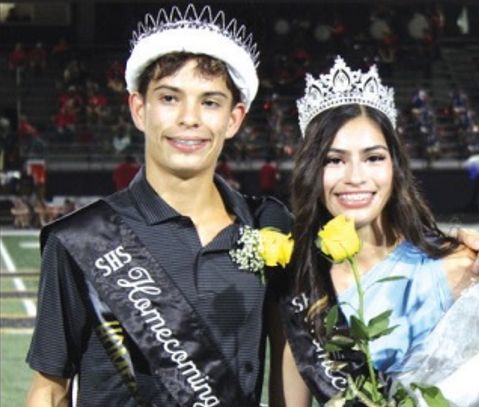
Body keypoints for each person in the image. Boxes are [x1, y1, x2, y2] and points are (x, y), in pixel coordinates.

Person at [26, 4, 292, 406]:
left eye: (210, 102)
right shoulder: (80, 239)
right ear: (138, 108)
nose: (189, 118)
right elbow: (48, 391)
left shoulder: (268, 225)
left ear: (235, 119)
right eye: (169, 97)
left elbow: (288, 365)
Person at [272, 57, 479, 405]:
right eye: (334, 160)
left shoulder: (464, 264)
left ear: (395, 166)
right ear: (311, 173)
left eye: (373, 157)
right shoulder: (307, 294)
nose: (355, 177)